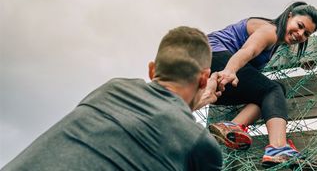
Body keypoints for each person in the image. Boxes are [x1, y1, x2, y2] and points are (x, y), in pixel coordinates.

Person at [2, 26, 223, 171]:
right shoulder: (200, 145)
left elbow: (156, 113)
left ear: (152, 70)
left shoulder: (110, 89)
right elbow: (172, 121)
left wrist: (198, 99)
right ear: (204, 78)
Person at [206, 1, 317, 168]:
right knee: (273, 89)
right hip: (211, 59)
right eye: (300, 25)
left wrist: (304, 60)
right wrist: (230, 70)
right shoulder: (270, 30)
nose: (300, 34)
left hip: (215, 81)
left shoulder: (277, 40)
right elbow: (248, 51)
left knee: (272, 92)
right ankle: (279, 147)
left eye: (306, 34)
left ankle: (231, 126)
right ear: (289, 16)